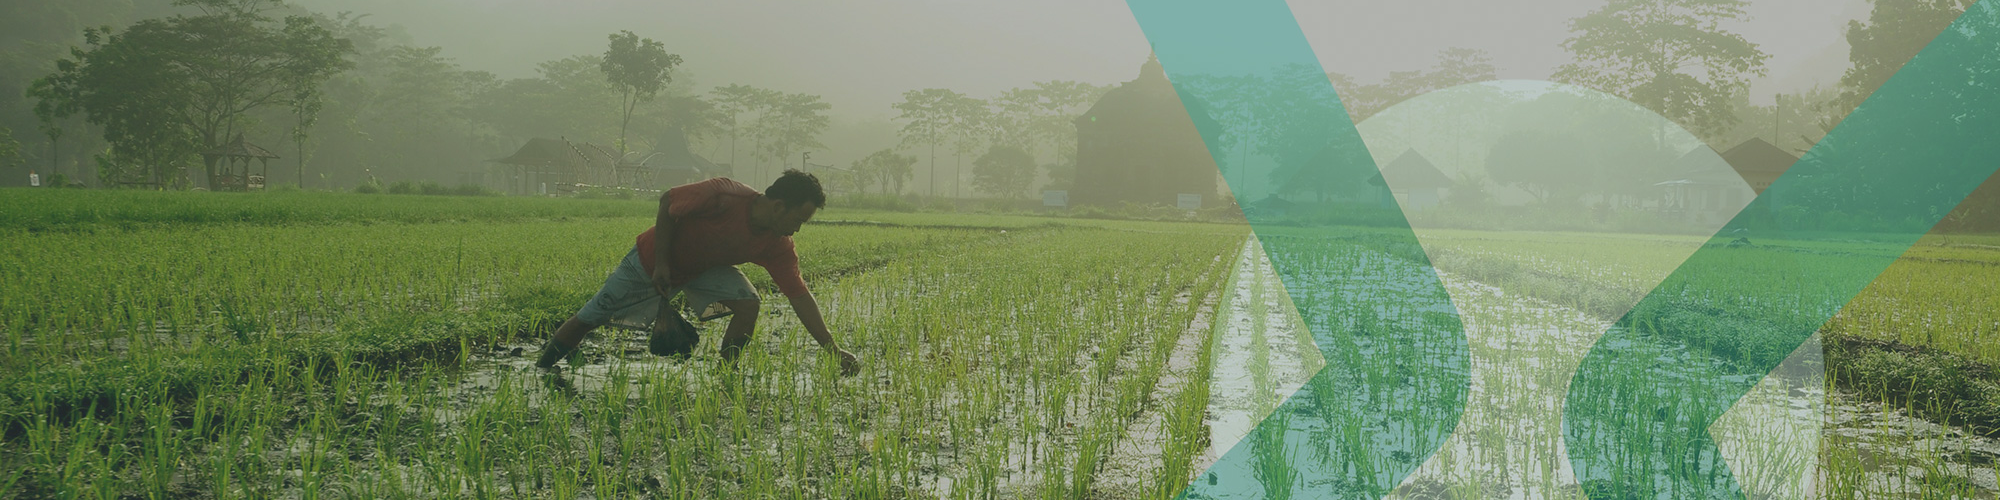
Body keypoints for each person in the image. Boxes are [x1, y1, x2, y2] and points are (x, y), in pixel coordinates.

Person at [533, 169, 860, 376]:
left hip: (700, 272)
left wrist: (831, 348)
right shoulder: (723, 195)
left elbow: (799, 296)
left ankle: (726, 375)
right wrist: (662, 264)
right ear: (778, 207)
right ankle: (543, 369)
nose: (797, 230)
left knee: (748, 304)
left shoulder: (777, 244)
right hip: (650, 261)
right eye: (798, 219)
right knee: (590, 318)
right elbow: (667, 203)